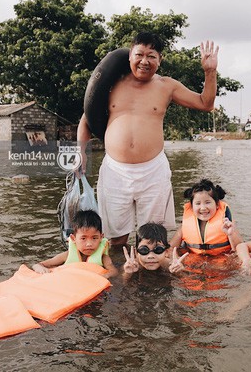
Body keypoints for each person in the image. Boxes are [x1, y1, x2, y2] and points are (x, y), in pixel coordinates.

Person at [77, 32, 219, 246]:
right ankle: (121, 278)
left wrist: (210, 72)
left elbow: (205, 103)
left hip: (153, 171)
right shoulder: (112, 82)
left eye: (151, 56)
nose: (145, 61)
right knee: (115, 239)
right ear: (130, 56)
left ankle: (152, 279)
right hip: (115, 171)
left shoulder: (167, 85)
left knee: (153, 238)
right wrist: (81, 153)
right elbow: (87, 119)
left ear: (160, 60)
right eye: (139, 54)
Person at [32, 210, 118, 278]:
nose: (89, 244)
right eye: (83, 238)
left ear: (101, 238)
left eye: (94, 238)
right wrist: (39, 267)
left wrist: (105, 275)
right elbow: (40, 264)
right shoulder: (67, 255)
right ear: (73, 239)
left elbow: (114, 272)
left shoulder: (104, 258)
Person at [169, 179, 243, 254]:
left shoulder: (227, 223)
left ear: (217, 204)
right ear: (192, 207)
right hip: (194, 259)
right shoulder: (184, 227)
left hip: (221, 259)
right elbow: (171, 248)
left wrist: (231, 234)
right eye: (198, 203)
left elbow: (240, 248)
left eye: (207, 202)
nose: (203, 208)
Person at [122, 222, 188, 277]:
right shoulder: (132, 265)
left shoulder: (170, 264)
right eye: (144, 250)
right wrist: (128, 273)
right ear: (136, 252)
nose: (151, 256)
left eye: (158, 250)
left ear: (167, 251)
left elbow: (186, 280)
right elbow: (123, 282)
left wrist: (179, 273)